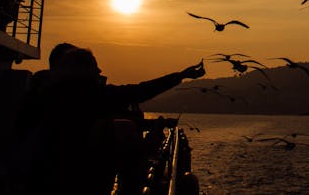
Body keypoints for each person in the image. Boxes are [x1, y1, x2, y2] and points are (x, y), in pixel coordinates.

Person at [16, 45, 205, 195]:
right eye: (94, 67)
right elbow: (138, 91)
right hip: (79, 181)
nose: (99, 71)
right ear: (83, 71)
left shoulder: (45, 96)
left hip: (42, 179)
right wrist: (181, 76)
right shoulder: (89, 95)